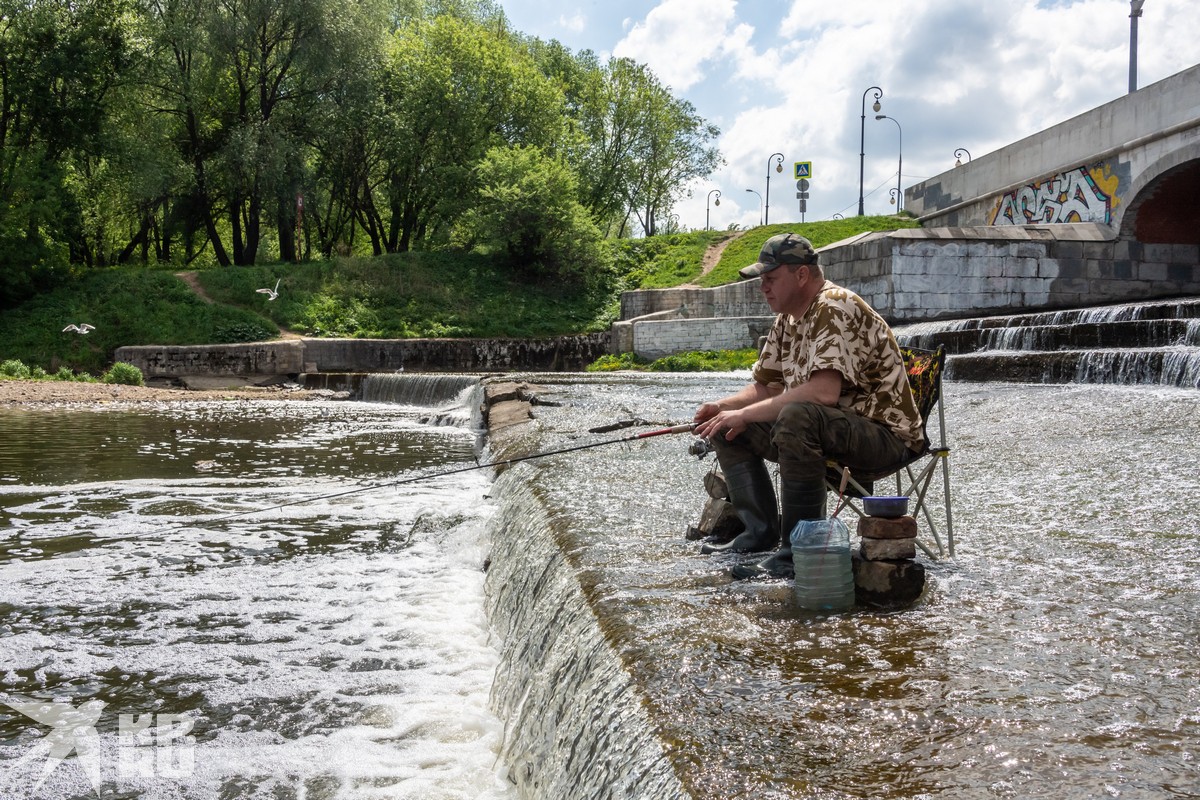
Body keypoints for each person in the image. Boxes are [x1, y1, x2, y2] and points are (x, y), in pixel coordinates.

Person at [692, 232, 925, 580]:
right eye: (762, 281)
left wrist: (743, 413)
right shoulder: (788, 317)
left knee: (796, 416)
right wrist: (722, 408)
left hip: (884, 438)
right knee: (725, 424)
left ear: (801, 275)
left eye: (770, 279)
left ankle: (796, 553)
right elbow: (765, 387)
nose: (763, 288)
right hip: (831, 429)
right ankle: (760, 534)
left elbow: (822, 393)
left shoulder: (833, 307)